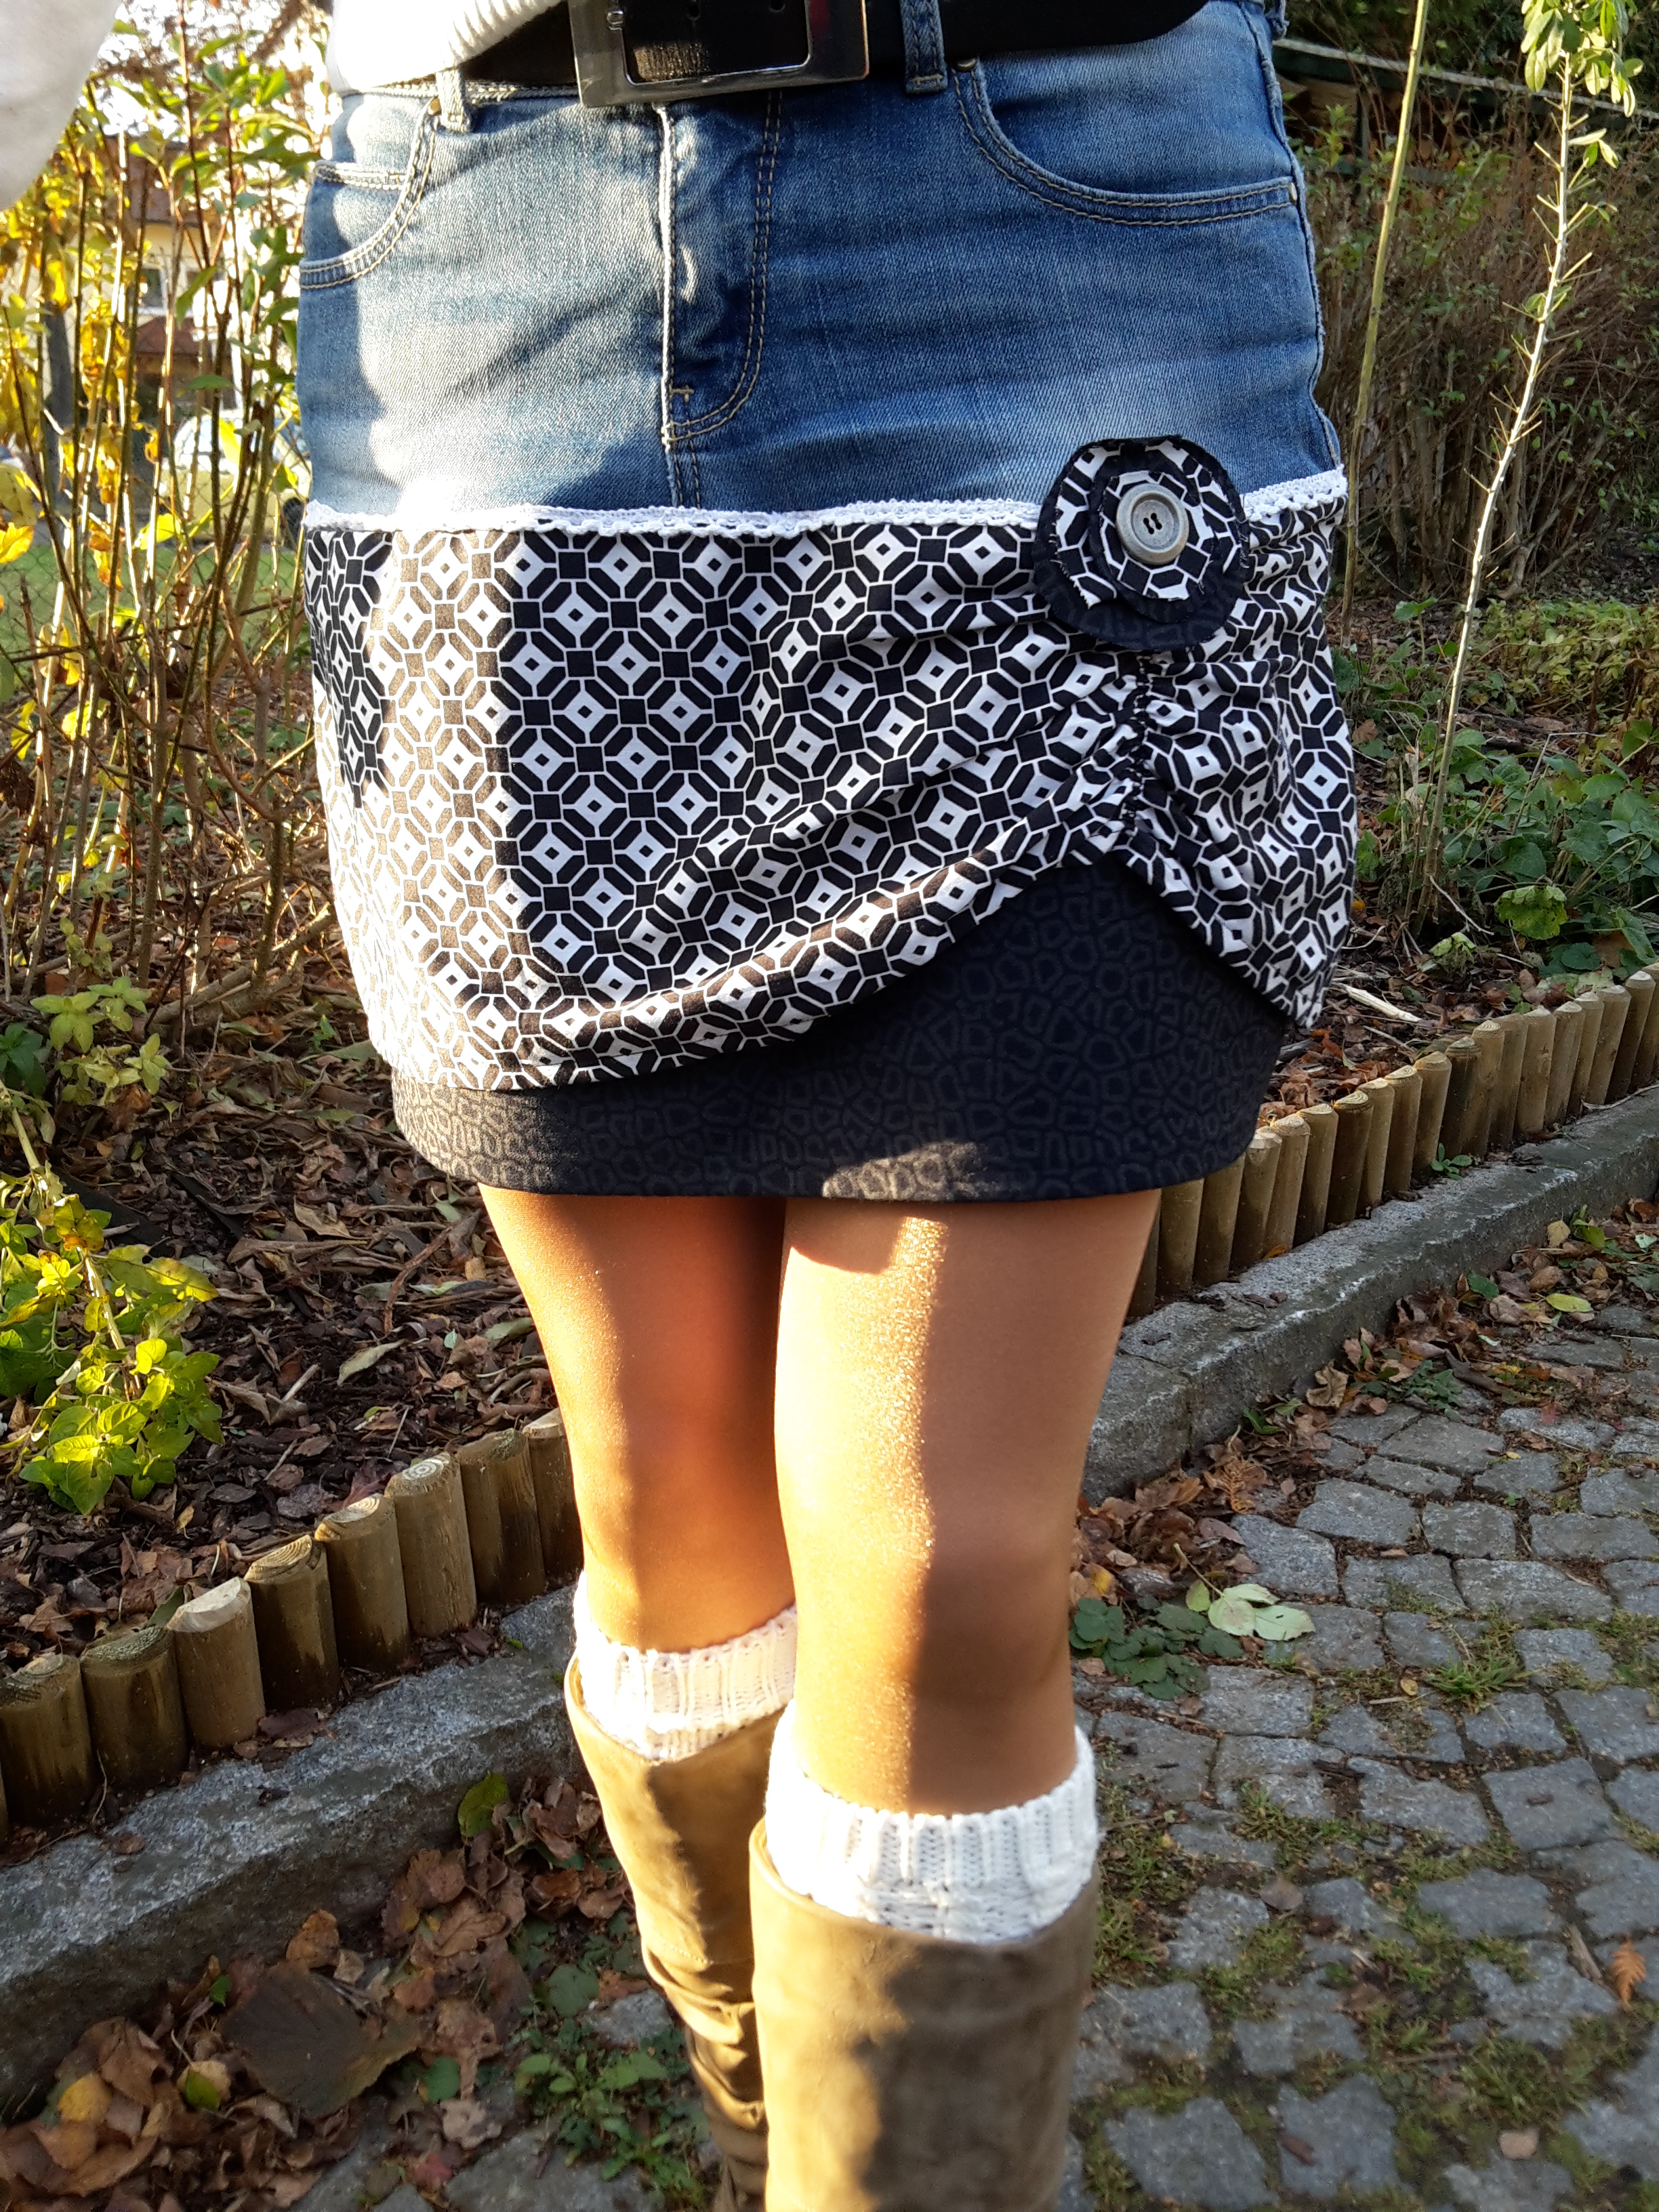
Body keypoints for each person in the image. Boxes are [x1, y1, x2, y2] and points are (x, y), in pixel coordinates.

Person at [7, 1, 1352, 2200]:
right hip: (495, 309)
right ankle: (766, 2106)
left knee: (947, 1569)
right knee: (664, 1498)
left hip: (1066, 259)